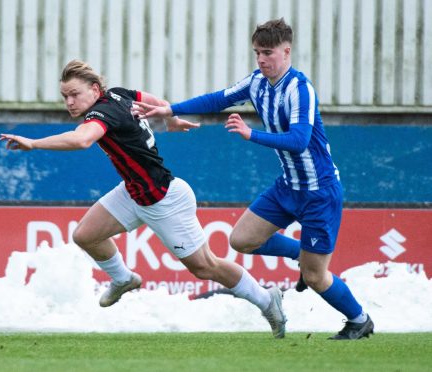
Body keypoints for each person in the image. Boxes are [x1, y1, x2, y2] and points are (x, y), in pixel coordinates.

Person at [0, 59, 287, 338]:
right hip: (135, 191)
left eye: (74, 94)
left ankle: (266, 300)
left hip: (164, 198)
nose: (69, 102)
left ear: (96, 89)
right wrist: (171, 119)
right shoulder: (118, 95)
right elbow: (151, 100)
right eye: (65, 97)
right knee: (86, 235)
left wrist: (34, 143)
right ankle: (124, 278)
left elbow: (82, 139)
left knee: (205, 266)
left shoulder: (103, 112)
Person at [133, 18, 373, 340]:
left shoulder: (300, 90)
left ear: (286, 52)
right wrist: (169, 110)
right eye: (257, 53)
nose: (261, 60)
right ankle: (300, 255)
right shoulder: (257, 82)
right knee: (241, 240)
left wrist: (251, 134)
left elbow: (300, 140)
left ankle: (359, 320)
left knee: (317, 278)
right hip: (288, 186)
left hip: (319, 192)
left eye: (268, 53)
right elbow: (218, 99)